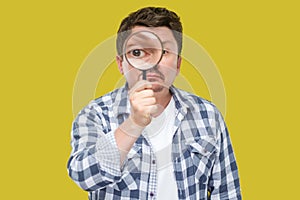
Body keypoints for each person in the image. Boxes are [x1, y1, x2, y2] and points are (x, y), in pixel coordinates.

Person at [67, 7, 242, 200]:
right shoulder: (94, 114)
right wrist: (133, 124)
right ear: (120, 64)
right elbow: (84, 176)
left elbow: (227, 192)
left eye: (164, 51)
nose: (152, 63)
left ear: (178, 64)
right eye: (137, 52)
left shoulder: (208, 115)